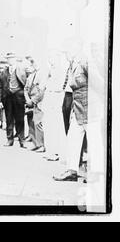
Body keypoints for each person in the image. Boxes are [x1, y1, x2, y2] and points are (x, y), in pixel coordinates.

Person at [54, 37, 88, 181]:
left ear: (77, 47)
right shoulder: (74, 63)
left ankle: (96, 174)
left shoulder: (85, 61)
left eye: (68, 49)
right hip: (78, 108)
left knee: (94, 142)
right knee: (73, 139)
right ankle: (72, 171)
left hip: (89, 109)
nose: (66, 53)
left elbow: (100, 83)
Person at [0, 52, 29, 147]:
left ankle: (22, 140)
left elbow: (27, 83)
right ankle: (9, 140)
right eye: (8, 58)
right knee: (9, 119)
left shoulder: (21, 69)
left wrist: (25, 96)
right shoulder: (4, 72)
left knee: (20, 119)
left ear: (15, 59)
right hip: (7, 98)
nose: (10, 60)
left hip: (19, 98)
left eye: (12, 58)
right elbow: (0, 88)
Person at [24, 56, 47, 152]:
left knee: (38, 123)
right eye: (31, 62)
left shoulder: (43, 74)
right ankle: (35, 143)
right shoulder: (31, 75)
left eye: (34, 62)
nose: (33, 64)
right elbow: (25, 88)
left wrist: (32, 100)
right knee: (31, 122)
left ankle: (41, 145)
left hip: (38, 102)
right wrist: (27, 99)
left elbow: (42, 90)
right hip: (30, 101)